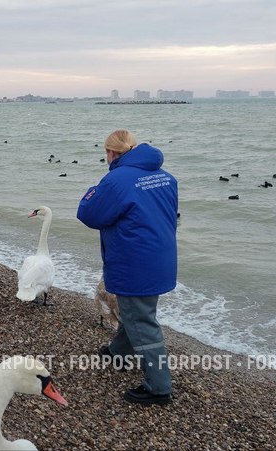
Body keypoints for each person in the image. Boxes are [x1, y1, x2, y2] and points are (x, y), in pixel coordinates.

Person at [76, 129, 178, 406]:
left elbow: (89, 213)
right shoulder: (166, 177)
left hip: (134, 260)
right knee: (138, 311)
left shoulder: (116, 179)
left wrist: (91, 192)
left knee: (141, 320)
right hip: (161, 256)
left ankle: (159, 387)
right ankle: (117, 351)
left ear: (111, 153)